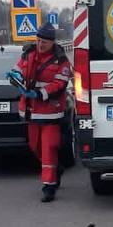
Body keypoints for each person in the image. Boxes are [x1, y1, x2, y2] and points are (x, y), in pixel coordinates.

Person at [9, 22, 73, 202]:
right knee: (35, 147)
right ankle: (56, 169)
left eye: (44, 41)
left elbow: (59, 84)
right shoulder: (29, 54)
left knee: (48, 148)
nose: (40, 44)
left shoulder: (61, 61)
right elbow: (19, 69)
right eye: (38, 40)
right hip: (31, 111)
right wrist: (15, 76)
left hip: (50, 113)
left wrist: (39, 93)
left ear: (52, 42)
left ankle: (49, 186)